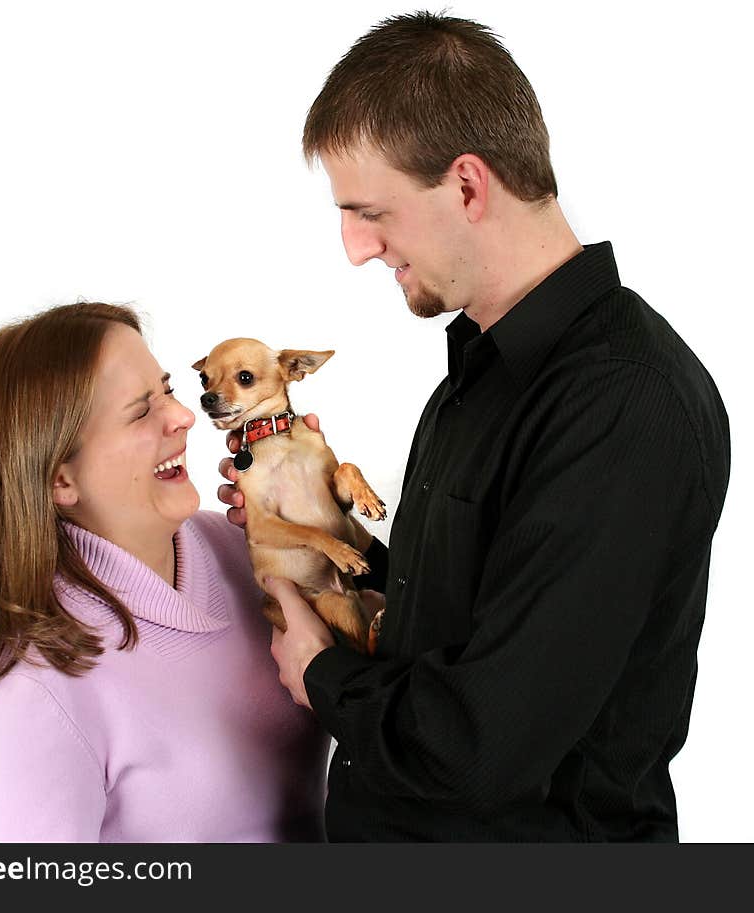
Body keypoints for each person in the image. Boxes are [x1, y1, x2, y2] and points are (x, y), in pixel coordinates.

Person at [218, 13, 731, 841]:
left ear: (465, 185)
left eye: (369, 211)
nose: (355, 248)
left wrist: (322, 672)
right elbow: (466, 617)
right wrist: (319, 539)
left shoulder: (624, 403)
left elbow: (477, 746)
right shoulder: (481, 374)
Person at [0, 302, 329, 842]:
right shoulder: (26, 691)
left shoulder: (241, 549)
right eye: (139, 411)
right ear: (61, 481)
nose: (183, 416)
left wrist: (324, 513)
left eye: (169, 388)